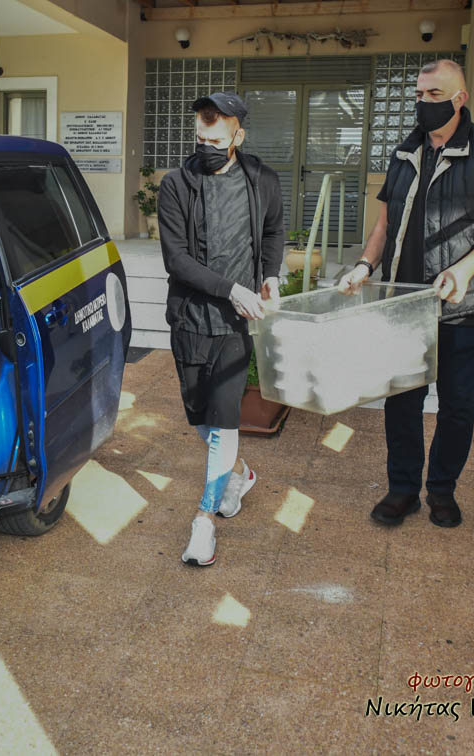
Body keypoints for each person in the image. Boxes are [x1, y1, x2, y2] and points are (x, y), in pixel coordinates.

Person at [338, 59, 474, 529]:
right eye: (419, 95)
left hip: (469, 305)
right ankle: (402, 490)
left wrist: (463, 270)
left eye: (434, 95)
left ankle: (442, 490)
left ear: (460, 99)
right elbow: (384, 223)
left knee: (458, 407)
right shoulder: (405, 152)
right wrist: (364, 265)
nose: (423, 103)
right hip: (406, 303)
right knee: (402, 402)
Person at [157, 91, 284, 566]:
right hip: (191, 318)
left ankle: (203, 521)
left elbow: (273, 231)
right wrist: (231, 289)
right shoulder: (176, 185)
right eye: (200, 139)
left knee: (225, 418)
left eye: (215, 140)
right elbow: (177, 260)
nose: (206, 147)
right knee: (201, 420)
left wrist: (271, 275)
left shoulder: (262, 180)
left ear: (238, 136)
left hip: (236, 324)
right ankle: (239, 473)